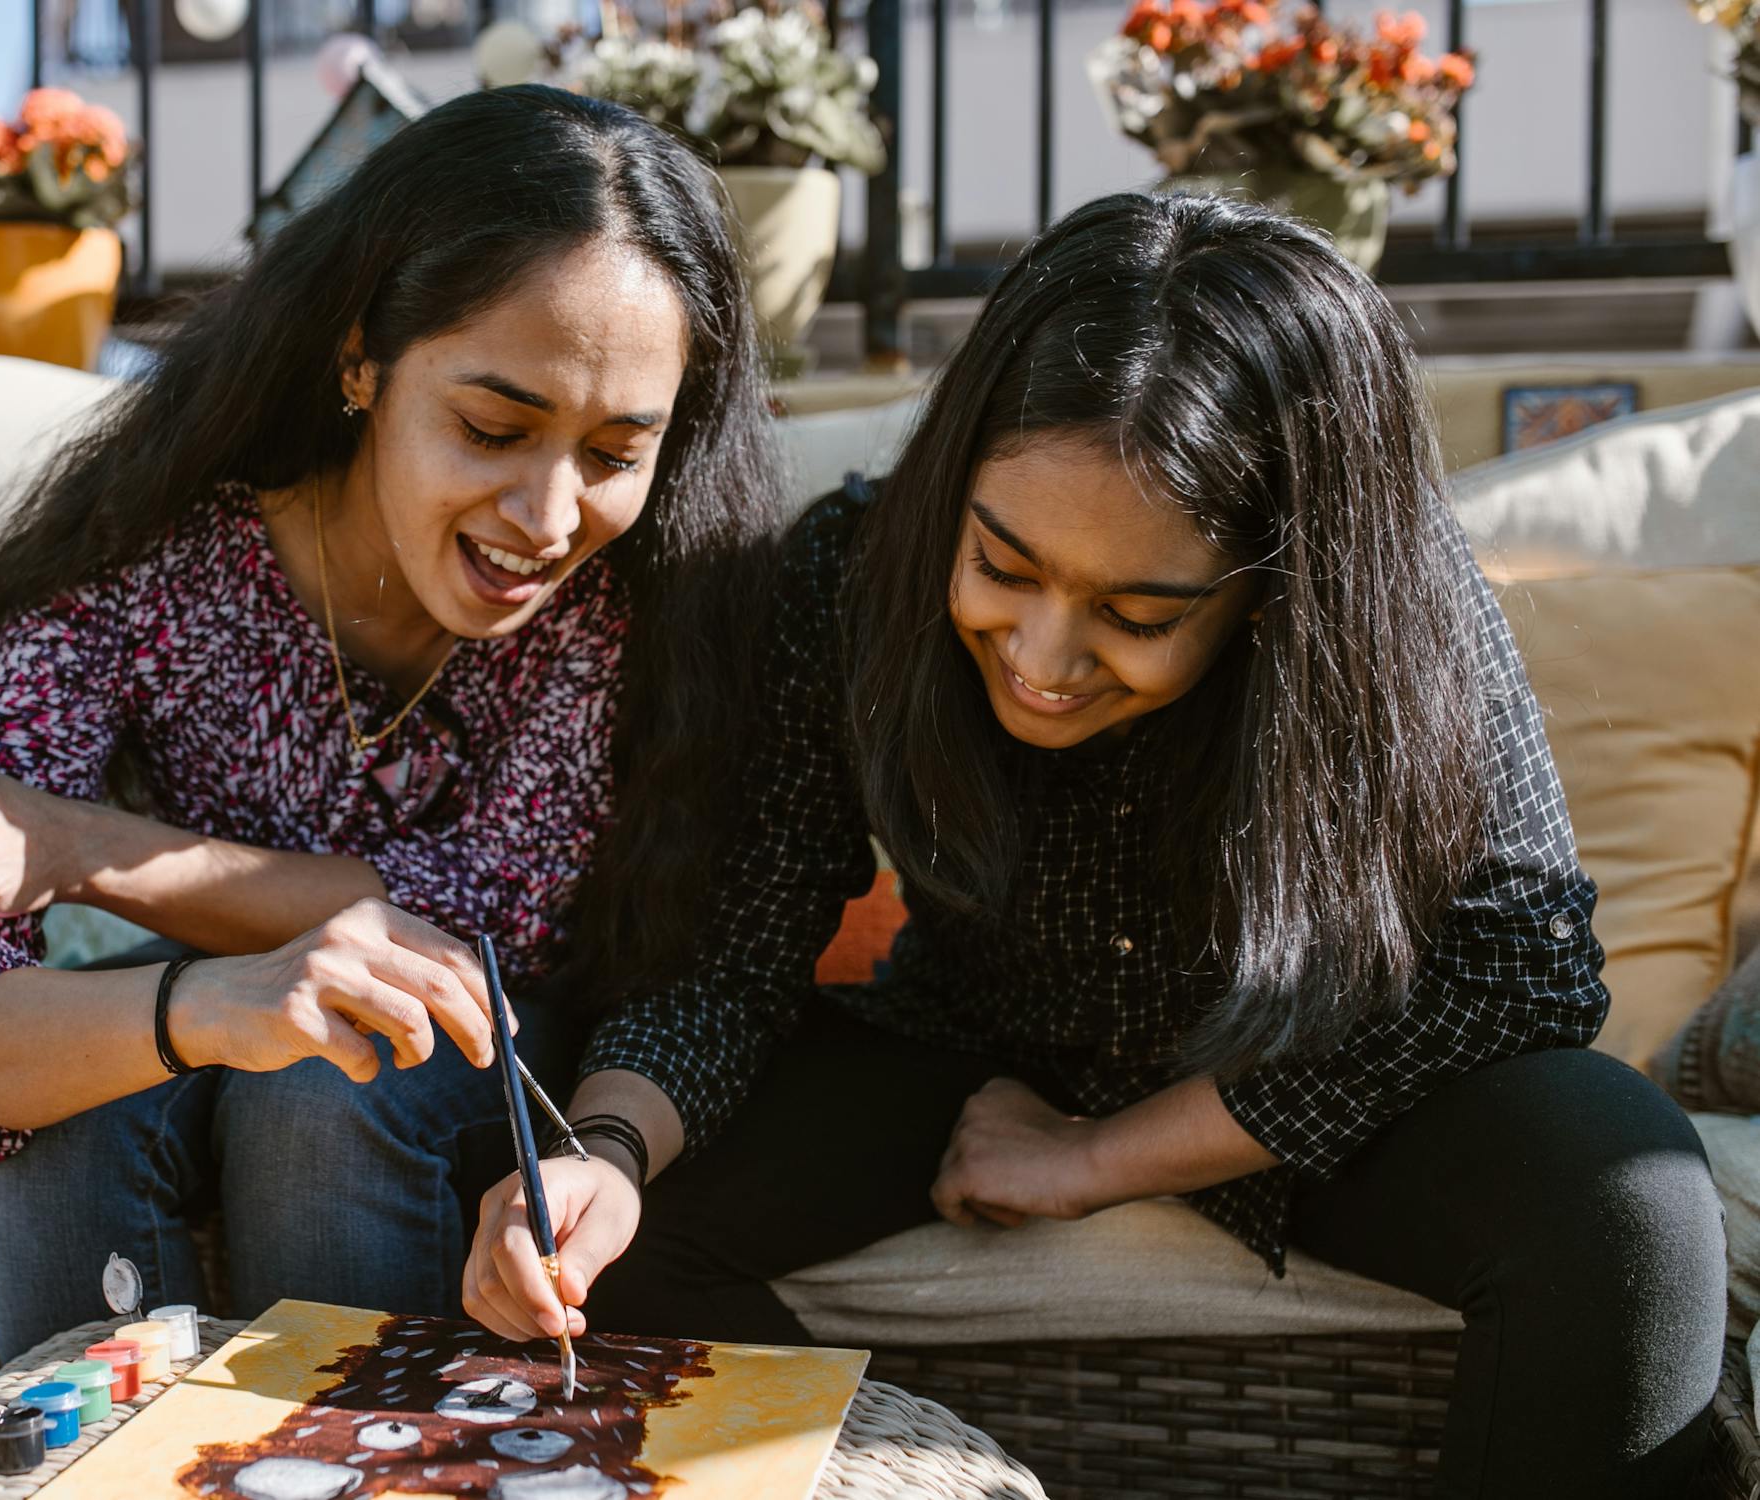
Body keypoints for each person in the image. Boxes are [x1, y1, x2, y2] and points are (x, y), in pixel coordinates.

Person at [461, 191, 1726, 1496]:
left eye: (1135, 611)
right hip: (969, 1046)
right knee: (609, 1236)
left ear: (1271, 593)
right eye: (1002, 569)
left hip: (1306, 1066)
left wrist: (1094, 1159)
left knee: (1620, 1195)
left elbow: (1521, 967)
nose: (1044, 660)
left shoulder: (1391, 600)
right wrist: (596, 1157)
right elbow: (741, 940)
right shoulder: (846, 571)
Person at [0, 84, 780, 1360]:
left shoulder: (627, 599)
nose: (549, 517)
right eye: (493, 428)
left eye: (613, 454)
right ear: (359, 361)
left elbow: (489, 920)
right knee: (77, 1104)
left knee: (335, 1070)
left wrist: (82, 848)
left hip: (504, 1064)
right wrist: (217, 1003)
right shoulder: (144, 558)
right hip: (232, 1018)